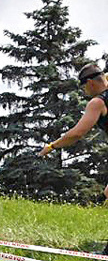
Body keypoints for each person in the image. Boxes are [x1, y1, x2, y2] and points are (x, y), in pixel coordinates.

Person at [37, 63, 108, 199]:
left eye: (83, 87)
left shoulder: (97, 103)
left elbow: (77, 133)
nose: (84, 91)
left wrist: (52, 146)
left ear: (90, 83)